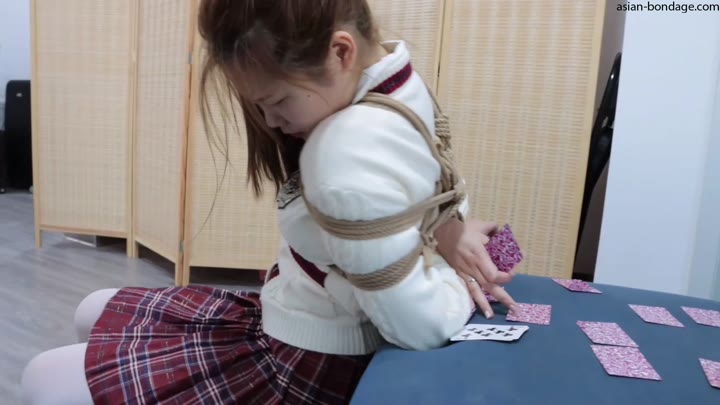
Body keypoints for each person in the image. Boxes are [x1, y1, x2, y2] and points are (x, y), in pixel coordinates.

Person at [20, 1, 517, 403]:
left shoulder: (342, 158)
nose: (272, 122)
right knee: (91, 310)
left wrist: (456, 276)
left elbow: (418, 326)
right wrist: (451, 228)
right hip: (290, 309)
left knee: (43, 378)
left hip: (310, 363)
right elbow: (436, 180)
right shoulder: (397, 75)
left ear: (341, 51)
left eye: (277, 102)